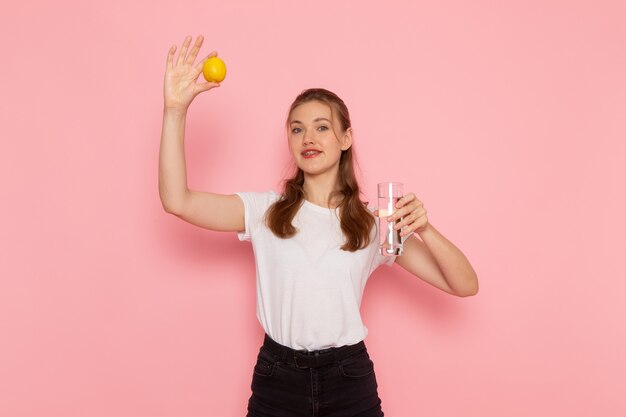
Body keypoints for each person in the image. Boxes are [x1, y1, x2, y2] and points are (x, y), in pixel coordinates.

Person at [159, 35, 479, 417]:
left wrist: (425, 228)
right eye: (297, 129)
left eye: (322, 127)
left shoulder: (374, 226)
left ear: (346, 138)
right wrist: (175, 110)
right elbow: (177, 201)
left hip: (349, 381)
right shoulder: (265, 211)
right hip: (277, 380)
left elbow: (465, 285)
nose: (308, 137)